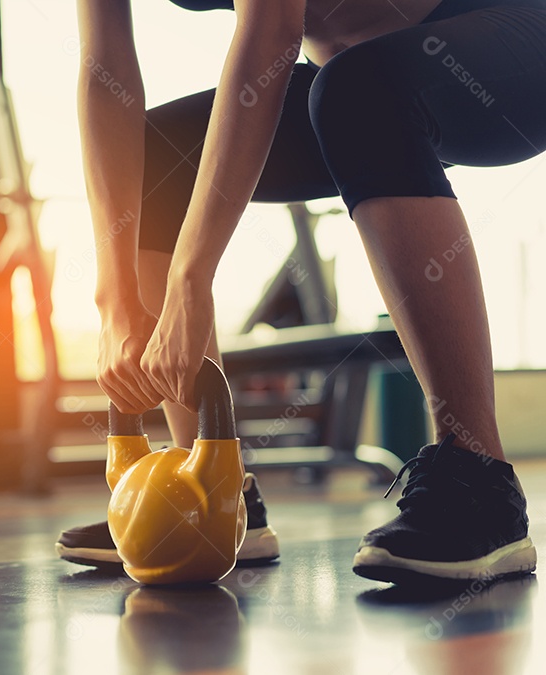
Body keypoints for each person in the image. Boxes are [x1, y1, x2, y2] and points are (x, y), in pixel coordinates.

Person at [56, 0, 545, 583]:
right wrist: (114, 300)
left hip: (507, 37)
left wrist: (192, 278)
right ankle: (210, 494)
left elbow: (270, 31)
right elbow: (103, 69)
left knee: (358, 87)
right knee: (157, 157)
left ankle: (480, 482)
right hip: (355, 78)